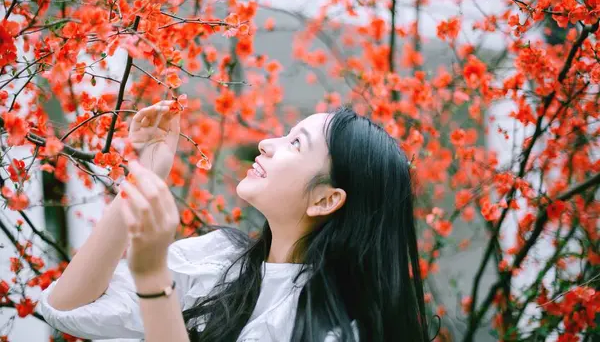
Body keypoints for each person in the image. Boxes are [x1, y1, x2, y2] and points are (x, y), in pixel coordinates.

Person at [38, 100, 430, 342]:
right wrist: (145, 176)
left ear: (325, 199)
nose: (267, 143)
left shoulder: (333, 331)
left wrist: (154, 278)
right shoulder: (218, 261)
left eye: (295, 143)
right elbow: (68, 308)